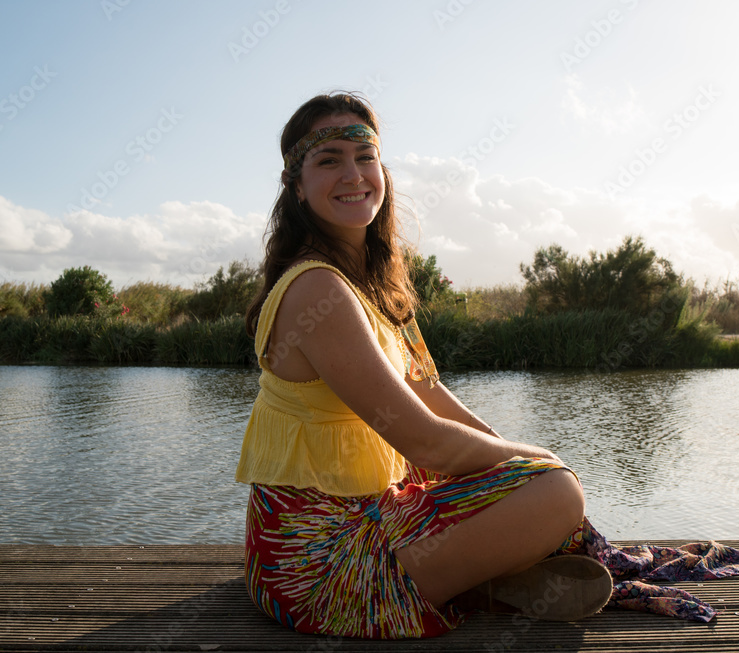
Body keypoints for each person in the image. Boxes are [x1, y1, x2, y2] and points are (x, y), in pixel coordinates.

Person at [235, 92, 612, 639]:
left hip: (368, 518)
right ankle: (474, 580)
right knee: (559, 493)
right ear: (296, 186)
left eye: (365, 157)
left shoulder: (369, 283)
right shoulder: (318, 288)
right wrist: (540, 464)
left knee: (537, 483)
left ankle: (472, 574)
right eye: (328, 159)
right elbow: (430, 444)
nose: (353, 173)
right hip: (312, 568)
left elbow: (428, 393)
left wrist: (509, 466)